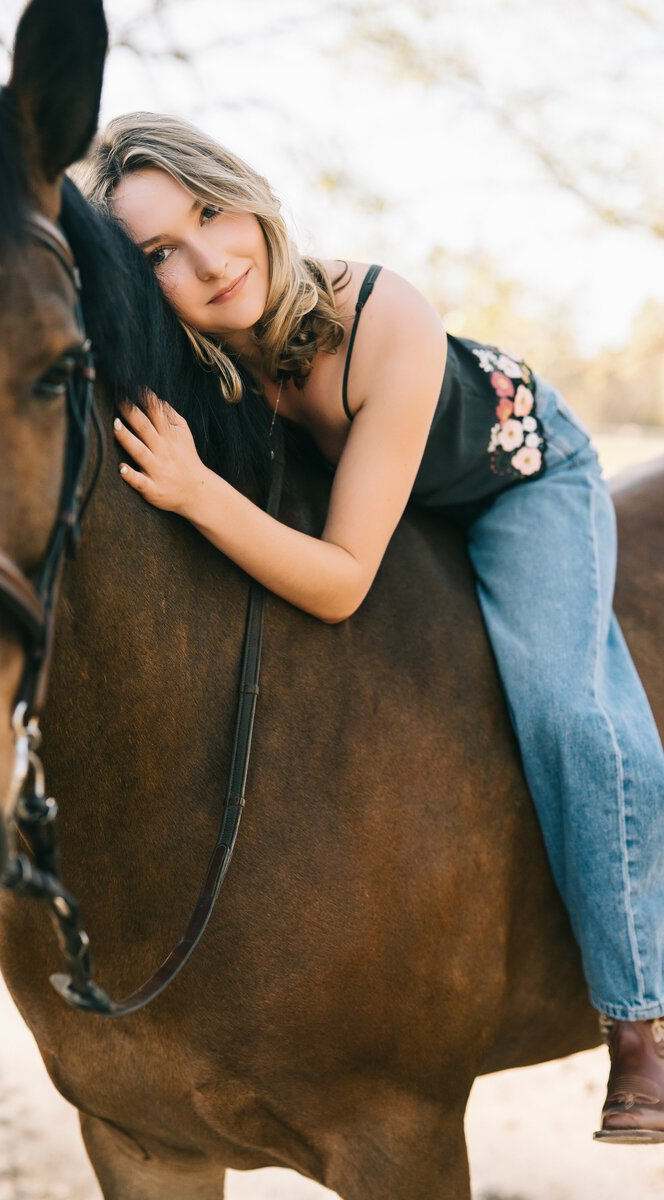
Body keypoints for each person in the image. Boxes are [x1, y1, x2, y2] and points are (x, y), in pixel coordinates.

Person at [75, 112, 664, 1142]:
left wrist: (199, 493)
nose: (209, 261)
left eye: (211, 213)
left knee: (572, 711)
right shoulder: (186, 359)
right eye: (159, 252)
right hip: (376, 497)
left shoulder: (375, 312)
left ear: (248, 197)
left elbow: (343, 580)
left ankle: (637, 1018)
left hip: (508, 482)